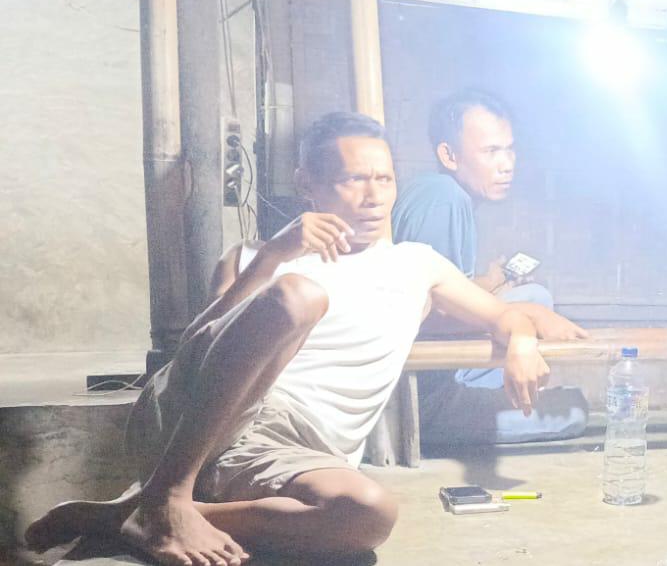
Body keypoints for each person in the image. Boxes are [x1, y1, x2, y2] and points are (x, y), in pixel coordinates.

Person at [25, 112, 587, 565]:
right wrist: (273, 257)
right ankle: (169, 495)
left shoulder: (418, 264)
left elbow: (503, 316)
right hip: (201, 418)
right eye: (352, 179)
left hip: (297, 449)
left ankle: (132, 515)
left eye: (384, 178)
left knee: (370, 514)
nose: (373, 196)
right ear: (308, 184)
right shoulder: (256, 257)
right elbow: (193, 349)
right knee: (299, 296)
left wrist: (521, 342)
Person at [392, 90, 588, 446]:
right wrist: (523, 316)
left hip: (442, 369)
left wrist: (495, 285)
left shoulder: (439, 193)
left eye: (509, 150)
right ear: (449, 155)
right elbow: (424, 315)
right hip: (421, 399)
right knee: (573, 409)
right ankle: (444, 422)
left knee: (534, 295)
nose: (506, 164)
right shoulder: (443, 199)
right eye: (491, 151)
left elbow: (448, 291)